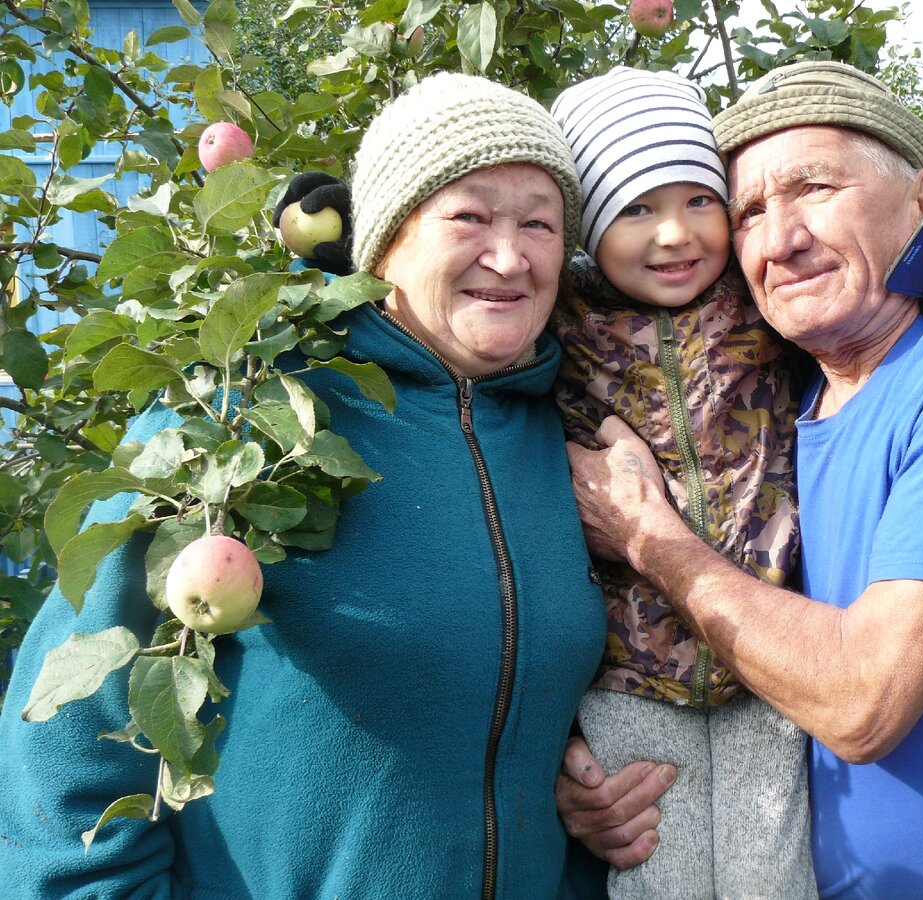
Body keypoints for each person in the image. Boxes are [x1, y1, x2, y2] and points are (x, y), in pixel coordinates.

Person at [0, 72, 608, 899]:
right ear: (387, 238)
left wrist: (592, 794)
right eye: (469, 215)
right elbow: (70, 738)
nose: (509, 256)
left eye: (538, 223)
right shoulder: (247, 410)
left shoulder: (578, 430)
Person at [558, 60, 923, 898]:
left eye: (816, 188)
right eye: (749, 211)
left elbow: (862, 703)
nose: (780, 236)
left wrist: (650, 536)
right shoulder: (787, 396)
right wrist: (580, 778)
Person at [548, 66, 816, 898]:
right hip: (629, 672)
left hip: (768, 655)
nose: (675, 235)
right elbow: (429, 295)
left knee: (772, 881)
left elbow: (876, 275)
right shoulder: (559, 314)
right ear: (589, 225)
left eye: (700, 199)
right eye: (636, 209)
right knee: (650, 873)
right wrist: (334, 242)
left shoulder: (763, 298)